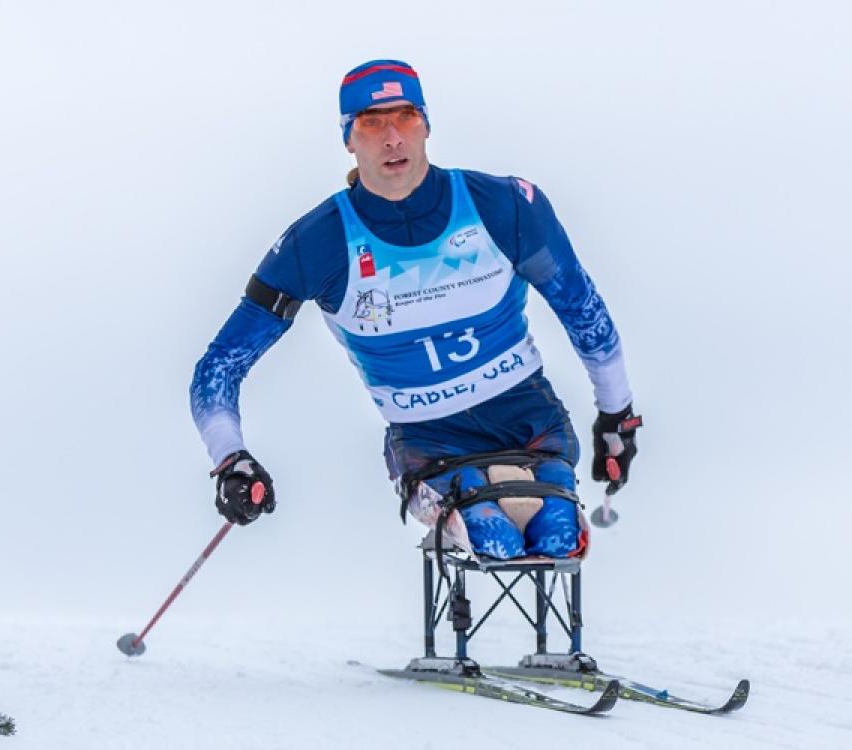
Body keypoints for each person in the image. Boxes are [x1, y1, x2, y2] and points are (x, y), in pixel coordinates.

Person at [190, 59, 641, 559]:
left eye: (406, 117)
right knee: (495, 539)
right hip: (431, 441)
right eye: (371, 122)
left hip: (530, 422)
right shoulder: (314, 244)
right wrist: (231, 459)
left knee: (557, 537)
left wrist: (616, 415)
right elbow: (219, 366)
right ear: (348, 139)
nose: (392, 138)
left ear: (426, 125)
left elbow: (584, 312)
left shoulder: (505, 205)